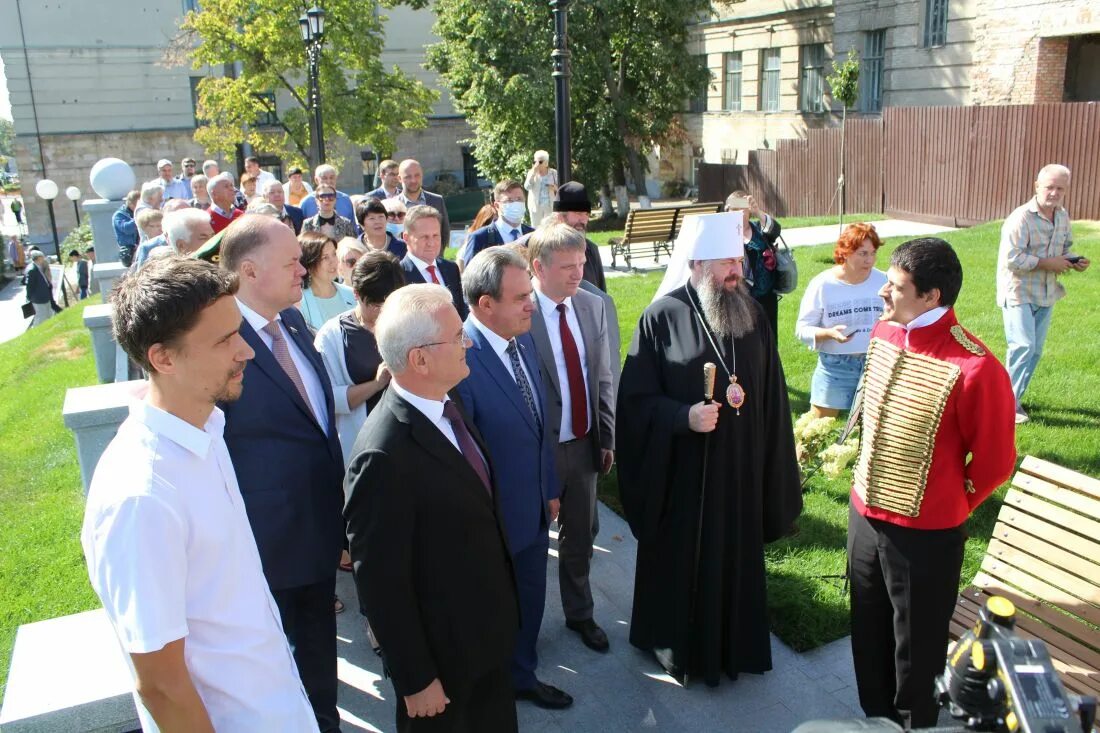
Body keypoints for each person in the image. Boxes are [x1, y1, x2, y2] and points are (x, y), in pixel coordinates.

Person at [81, 256, 318, 732]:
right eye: (225, 340)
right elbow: (161, 686)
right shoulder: (142, 496)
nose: (247, 352)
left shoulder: (207, 428)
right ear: (162, 357)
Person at [616, 211, 802, 686]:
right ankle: (677, 647)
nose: (736, 271)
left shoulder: (752, 312)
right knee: (684, 564)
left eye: (737, 259)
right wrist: (682, 418)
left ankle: (736, 647)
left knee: (736, 562)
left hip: (740, 472)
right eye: (725, 262)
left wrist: (773, 461)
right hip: (684, 479)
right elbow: (635, 406)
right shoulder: (661, 317)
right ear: (697, 265)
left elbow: (771, 395)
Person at [848, 237, 1017, 729]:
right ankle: (874, 716)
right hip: (865, 512)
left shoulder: (976, 368)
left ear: (932, 297)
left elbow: (993, 463)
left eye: (896, 287)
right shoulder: (884, 330)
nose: (882, 293)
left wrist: (947, 501)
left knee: (915, 641)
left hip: (926, 533)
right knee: (868, 623)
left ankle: (913, 720)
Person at [345, 283, 520, 733]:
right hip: (442, 665)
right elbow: (381, 582)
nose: (467, 343)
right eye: (458, 336)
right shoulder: (383, 455)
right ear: (419, 359)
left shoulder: (446, 403)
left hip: (485, 641)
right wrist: (415, 677)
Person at [218, 215, 346, 732]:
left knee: (318, 649)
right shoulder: (219, 337)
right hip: (265, 541)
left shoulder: (291, 321)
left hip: (317, 526)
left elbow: (314, 422)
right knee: (279, 661)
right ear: (249, 271)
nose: (304, 269)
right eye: (292, 261)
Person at [455, 248, 571, 710]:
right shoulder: (460, 357)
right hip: (491, 522)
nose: (532, 304)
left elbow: (538, 423)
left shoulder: (520, 337)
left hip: (533, 508)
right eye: (521, 296)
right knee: (495, 609)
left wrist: (550, 488)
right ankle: (497, 685)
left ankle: (521, 672)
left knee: (529, 599)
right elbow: (465, 457)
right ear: (486, 305)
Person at [526, 222, 616, 653]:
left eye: (581, 263)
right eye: (566, 266)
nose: (578, 273)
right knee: (528, 542)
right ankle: (525, 629)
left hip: (582, 444)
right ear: (537, 267)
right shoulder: (519, 312)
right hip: (536, 450)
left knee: (581, 535)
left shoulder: (591, 305)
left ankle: (580, 614)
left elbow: (602, 377)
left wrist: (607, 436)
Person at [997, 163, 1090, 424]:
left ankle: (1014, 401)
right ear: (1037, 186)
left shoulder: (1061, 216)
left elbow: (1064, 247)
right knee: (1022, 346)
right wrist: (1048, 263)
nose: (1054, 192)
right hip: (1019, 291)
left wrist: (1073, 261)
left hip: (1046, 292)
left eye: (1060, 188)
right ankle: (1007, 405)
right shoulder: (1021, 218)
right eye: (1050, 187)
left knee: (1035, 350)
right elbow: (1013, 259)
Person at [314, 250, 404, 463]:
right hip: (363, 450)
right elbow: (325, 400)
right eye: (375, 305)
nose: (383, 312)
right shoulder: (332, 335)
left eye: (389, 303)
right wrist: (376, 384)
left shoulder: (408, 322)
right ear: (356, 294)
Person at [795, 222, 887, 417]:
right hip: (835, 367)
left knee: (876, 435)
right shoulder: (823, 285)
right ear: (845, 252)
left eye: (873, 253)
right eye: (863, 253)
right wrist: (828, 333)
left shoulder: (884, 281)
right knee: (814, 434)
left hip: (877, 365)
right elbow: (802, 329)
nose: (869, 260)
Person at [724, 191, 784, 341]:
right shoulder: (723, 234)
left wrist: (758, 211)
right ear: (727, 210)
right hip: (738, 299)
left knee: (768, 340)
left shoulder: (758, 228)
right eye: (734, 208)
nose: (739, 213)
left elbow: (776, 230)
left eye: (742, 208)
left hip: (766, 299)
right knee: (744, 342)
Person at [400, 206, 468, 321]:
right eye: (424, 237)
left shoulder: (450, 268)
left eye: (435, 236)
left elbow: (461, 311)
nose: (431, 243)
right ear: (406, 238)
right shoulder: (398, 274)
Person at [457, 180, 533, 270]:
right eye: (509, 200)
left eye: (519, 199)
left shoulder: (533, 234)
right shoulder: (480, 237)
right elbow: (470, 277)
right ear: (497, 206)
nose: (515, 204)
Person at [549, 182, 606, 292]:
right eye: (578, 213)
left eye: (587, 214)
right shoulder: (541, 248)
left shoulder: (591, 249)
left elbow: (601, 296)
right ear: (560, 216)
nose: (584, 220)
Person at [298, 231, 357, 332]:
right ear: (309, 263)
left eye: (334, 254)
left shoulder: (351, 294)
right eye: (325, 257)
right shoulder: (300, 303)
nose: (333, 261)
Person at [397, 159, 451, 240]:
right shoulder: (392, 205)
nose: (413, 180)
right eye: (408, 177)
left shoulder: (437, 201)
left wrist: (437, 252)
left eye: (417, 175)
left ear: (422, 175)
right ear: (399, 179)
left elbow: (444, 233)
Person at [524, 151, 558, 228]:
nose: (537, 164)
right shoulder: (531, 173)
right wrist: (533, 173)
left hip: (550, 206)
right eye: (535, 162)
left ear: (546, 163)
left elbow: (560, 188)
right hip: (535, 207)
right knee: (536, 229)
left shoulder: (553, 173)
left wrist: (553, 187)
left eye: (540, 162)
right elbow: (527, 187)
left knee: (550, 228)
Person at [24, 250, 57, 326]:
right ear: (38, 258)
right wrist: (29, 297)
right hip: (38, 298)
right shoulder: (32, 270)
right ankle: (37, 332)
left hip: (44, 296)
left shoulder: (38, 267)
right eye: (42, 257)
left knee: (48, 315)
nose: (44, 258)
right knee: (40, 317)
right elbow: (29, 285)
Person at [113, 190, 141, 266]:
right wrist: (138, 218)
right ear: (130, 204)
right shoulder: (119, 215)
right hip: (129, 250)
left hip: (141, 245)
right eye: (137, 205)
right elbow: (127, 229)